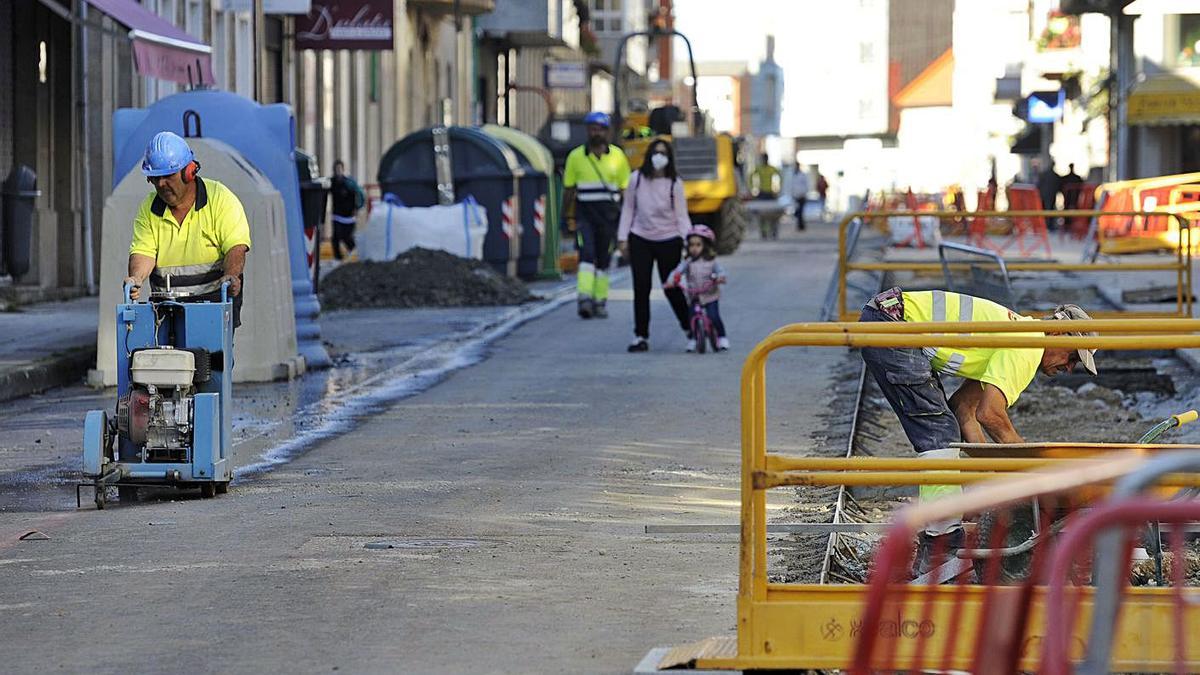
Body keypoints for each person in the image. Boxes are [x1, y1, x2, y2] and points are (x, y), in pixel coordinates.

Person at [858, 287, 1097, 574]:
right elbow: (991, 415)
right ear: (1057, 333)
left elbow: (965, 410)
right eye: (1072, 358)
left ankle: (940, 539)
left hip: (888, 318)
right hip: (892, 325)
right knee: (939, 433)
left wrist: (984, 484)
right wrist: (1032, 475)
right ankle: (940, 546)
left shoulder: (1018, 334)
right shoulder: (1029, 345)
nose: (1069, 368)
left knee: (944, 426)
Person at [124, 131, 251, 328]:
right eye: (155, 178)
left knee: (208, 359)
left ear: (189, 172)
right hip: (165, 309)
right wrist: (136, 278)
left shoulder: (221, 199)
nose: (161, 184)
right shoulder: (149, 208)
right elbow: (143, 252)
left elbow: (236, 247)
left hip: (213, 306)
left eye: (167, 176)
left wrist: (232, 275)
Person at [617, 139, 692, 352]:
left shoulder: (675, 183)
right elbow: (628, 210)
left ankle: (690, 329)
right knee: (641, 287)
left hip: (669, 239)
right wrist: (623, 238)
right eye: (655, 152)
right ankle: (640, 335)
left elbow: (681, 216)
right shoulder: (637, 179)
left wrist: (690, 240)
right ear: (648, 155)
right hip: (640, 237)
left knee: (671, 287)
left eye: (663, 153)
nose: (659, 157)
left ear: (669, 158)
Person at [562, 111, 632, 319]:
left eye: (600, 129)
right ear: (587, 131)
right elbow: (569, 190)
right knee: (586, 256)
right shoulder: (575, 157)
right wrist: (567, 217)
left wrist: (627, 221)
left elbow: (625, 191)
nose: (596, 133)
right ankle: (584, 298)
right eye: (592, 129)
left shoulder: (618, 157)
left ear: (607, 131)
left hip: (609, 218)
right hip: (586, 216)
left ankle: (600, 301)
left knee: (603, 260)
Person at [664, 225, 729, 352]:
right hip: (694, 295)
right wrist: (671, 281)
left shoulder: (712, 261)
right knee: (692, 316)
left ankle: (722, 337)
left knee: (714, 316)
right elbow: (677, 271)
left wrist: (720, 277)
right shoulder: (688, 262)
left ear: (706, 245)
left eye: (698, 245)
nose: (694, 248)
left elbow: (721, 272)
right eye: (691, 245)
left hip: (710, 295)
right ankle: (693, 338)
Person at [330, 159, 365, 260]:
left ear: (343, 169)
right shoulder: (332, 182)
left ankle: (356, 252)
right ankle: (338, 258)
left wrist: (358, 207)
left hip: (349, 216)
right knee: (336, 238)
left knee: (347, 237)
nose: (338, 171)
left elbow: (360, 194)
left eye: (339, 169)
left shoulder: (349, 183)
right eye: (336, 169)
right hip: (337, 215)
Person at [791, 166, 810, 230]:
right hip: (795, 196)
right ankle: (800, 225)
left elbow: (806, 184)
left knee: (800, 211)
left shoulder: (803, 175)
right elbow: (792, 186)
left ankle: (801, 225)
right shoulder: (793, 175)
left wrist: (804, 193)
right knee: (797, 211)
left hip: (802, 195)